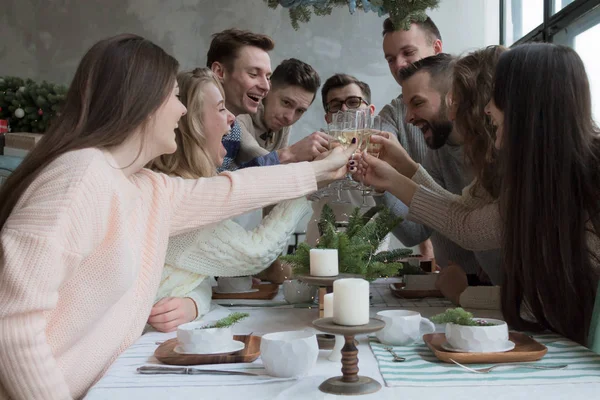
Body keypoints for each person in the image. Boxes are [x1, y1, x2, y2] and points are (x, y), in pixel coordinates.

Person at [0, 34, 355, 398]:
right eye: (173, 96)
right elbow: (11, 326)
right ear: (142, 102)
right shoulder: (78, 177)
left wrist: (319, 172)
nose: (181, 110)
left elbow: (231, 190)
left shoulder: (140, 185)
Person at [354, 43, 600, 345]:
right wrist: (404, 169)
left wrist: (464, 293)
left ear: (526, 103)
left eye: (495, 97)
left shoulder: (574, 177)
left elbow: (467, 228)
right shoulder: (534, 170)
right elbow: (463, 214)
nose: (485, 108)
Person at [146, 68, 314, 331]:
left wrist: (193, 303)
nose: (232, 119)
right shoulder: (174, 192)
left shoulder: (192, 181)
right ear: (191, 121)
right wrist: (307, 185)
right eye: (221, 108)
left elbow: (194, 275)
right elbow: (254, 254)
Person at [379, 52, 503, 289]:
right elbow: (460, 213)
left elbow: (468, 227)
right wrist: (399, 170)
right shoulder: (441, 152)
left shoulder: (515, 164)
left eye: (417, 103)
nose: (408, 118)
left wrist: (393, 178)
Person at [207, 29, 330, 171]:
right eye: (253, 74)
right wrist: (294, 155)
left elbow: (230, 179)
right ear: (219, 72)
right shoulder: (195, 115)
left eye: (267, 77)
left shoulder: (232, 126)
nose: (266, 86)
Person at [377, 16, 445, 259]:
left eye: (408, 52)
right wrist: (379, 183)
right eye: (390, 59)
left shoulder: (479, 111)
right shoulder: (392, 114)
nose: (400, 65)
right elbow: (414, 233)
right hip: (453, 277)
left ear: (437, 49)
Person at [236, 58, 321, 164]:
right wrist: (293, 154)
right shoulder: (239, 111)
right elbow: (251, 154)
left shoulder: (283, 120)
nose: (289, 118)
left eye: (300, 110)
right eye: (286, 102)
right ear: (267, 88)